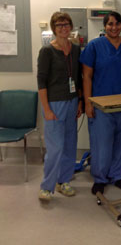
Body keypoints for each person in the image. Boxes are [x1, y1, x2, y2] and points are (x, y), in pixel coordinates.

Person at [80, 11, 121, 195]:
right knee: (101, 143)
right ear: (104, 26)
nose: (114, 27)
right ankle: (100, 177)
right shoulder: (94, 46)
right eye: (110, 24)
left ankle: (118, 175)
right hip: (100, 104)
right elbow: (87, 76)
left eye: (117, 24)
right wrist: (88, 103)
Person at [37, 11, 83, 202]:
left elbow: (78, 77)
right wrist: (46, 109)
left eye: (66, 24)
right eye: (59, 25)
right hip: (54, 104)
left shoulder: (76, 49)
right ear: (54, 28)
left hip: (72, 102)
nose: (63, 28)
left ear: (70, 27)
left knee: (70, 146)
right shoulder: (47, 51)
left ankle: (63, 181)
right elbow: (41, 82)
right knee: (55, 148)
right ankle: (47, 186)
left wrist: (80, 101)